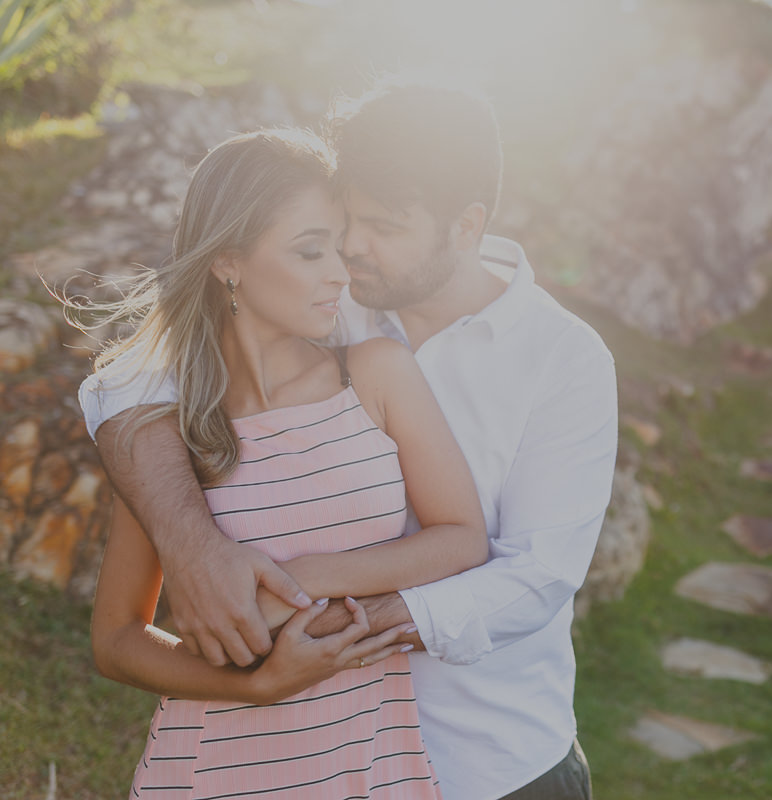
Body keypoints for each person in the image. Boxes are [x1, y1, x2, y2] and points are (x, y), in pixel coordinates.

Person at [80, 78, 619, 800]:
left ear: (466, 226)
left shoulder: (562, 358)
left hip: (493, 758)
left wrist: (304, 608)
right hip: (265, 760)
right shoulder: (327, 310)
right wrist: (196, 548)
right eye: (343, 227)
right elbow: (119, 391)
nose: (353, 253)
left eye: (383, 228)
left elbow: (538, 575)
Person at [83, 128, 490, 798]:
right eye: (310, 250)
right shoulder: (169, 433)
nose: (340, 272)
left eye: (338, 247)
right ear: (228, 261)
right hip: (210, 774)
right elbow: (117, 639)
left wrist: (304, 581)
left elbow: (463, 537)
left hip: (370, 771)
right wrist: (259, 685)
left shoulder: (375, 376)